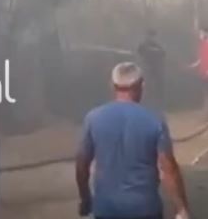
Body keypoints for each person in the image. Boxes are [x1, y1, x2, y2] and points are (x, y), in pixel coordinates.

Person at [75, 62, 191, 219]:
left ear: (112, 85)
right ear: (142, 85)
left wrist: (85, 198)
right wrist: (181, 209)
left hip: (106, 209)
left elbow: (82, 164)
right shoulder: (154, 120)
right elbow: (168, 168)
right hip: (145, 209)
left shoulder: (93, 118)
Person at [136, 29, 166, 110]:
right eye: (150, 36)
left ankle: (158, 104)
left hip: (155, 68)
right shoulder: (143, 44)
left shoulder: (156, 45)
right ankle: (145, 104)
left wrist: (156, 51)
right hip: (146, 68)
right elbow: (139, 51)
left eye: (153, 36)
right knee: (146, 87)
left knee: (157, 86)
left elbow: (163, 53)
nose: (151, 38)